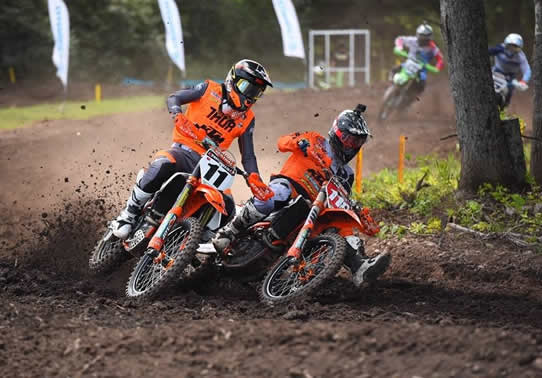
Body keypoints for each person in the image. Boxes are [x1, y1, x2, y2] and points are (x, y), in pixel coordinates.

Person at [212, 105, 391, 287]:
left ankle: (359, 267)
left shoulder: (347, 173)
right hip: (290, 185)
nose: (351, 146)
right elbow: (282, 142)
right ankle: (229, 232)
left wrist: (355, 211)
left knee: (338, 228)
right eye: (348, 139)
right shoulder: (315, 140)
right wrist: (298, 143)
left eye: (357, 142)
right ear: (337, 132)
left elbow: (340, 200)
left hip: (313, 209)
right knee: (277, 195)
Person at [112, 59, 274, 240]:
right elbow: (175, 98)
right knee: (164, 164)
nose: (250, 96)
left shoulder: (247, 118)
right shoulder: (209, 88)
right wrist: (177, 115)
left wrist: (254, 178)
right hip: (184, 151)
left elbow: (249, 155)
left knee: (227, 208)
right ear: (232, 80)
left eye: (257, 93)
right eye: (247, 88)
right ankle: (129, 214)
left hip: (212, 165)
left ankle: (187, 245)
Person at [390, 22, 444, 96]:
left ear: (429, 38)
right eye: (421, 36)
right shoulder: (413, 40)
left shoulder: (433, 48)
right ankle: (392, 85)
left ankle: (411, 99)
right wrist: (399, 47)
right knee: (395, 69)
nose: (422, 39)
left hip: (421, 69)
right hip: (409, 63)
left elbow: (440, 58)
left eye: (425, 37)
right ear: (418, 34)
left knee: (422, 84)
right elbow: (400, 39)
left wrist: (437, 68)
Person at [488, 33, 531, 108]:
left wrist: (523, 81)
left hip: (510, 78)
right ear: (506, 44)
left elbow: (527, 70)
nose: (512, 49)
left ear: (519, 48)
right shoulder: (499, 48)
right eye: (510, 46)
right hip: (495, 73)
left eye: (515, 47)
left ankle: (503, 108)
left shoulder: (520, 56)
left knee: (509, 92)